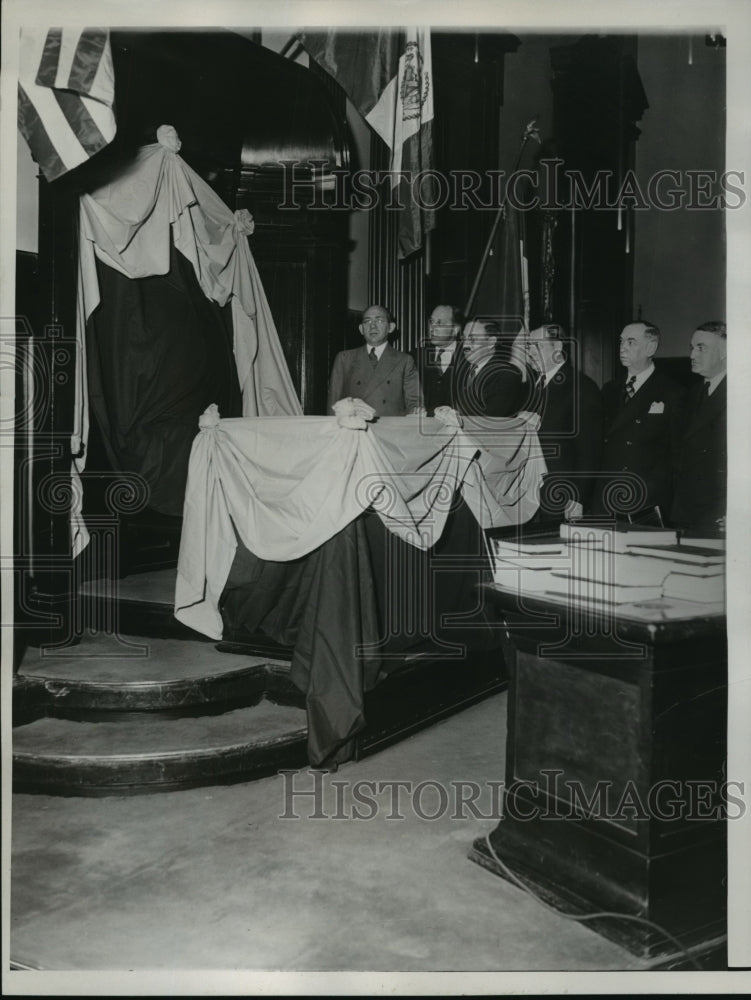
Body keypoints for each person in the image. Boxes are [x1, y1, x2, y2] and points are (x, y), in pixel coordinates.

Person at [594, 321, 685, 523]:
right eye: (621, 341)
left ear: (650, 348)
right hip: (606, 497)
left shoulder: (672, 392)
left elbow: (678, 455)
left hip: (646, 500)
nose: (622, 347)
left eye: (631, 342)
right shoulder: (609, 389)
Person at [521, 323, 603, 522]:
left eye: (535, 345)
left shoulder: (581, 388)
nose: (529, 351)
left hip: (561, 497)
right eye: (528, 345)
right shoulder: (528, 388)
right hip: (528, 495)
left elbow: (589, 450)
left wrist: (578, 498)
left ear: (557, 348)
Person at [671, 321, 727, 535]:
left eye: (701, 348)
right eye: (692, 348)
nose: (693, 355)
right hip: (688, 509)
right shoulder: (694, 392)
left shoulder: (740, 391)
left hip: (718, 512)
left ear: (725, 352)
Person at [327, 304, 422, 416]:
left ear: (391, 327)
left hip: (390, 429)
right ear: (361, 329)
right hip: (355, 429)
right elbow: (333, 405)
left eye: (379, 321)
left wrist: (417, 411)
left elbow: (414, 402)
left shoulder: (405, 361)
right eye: (367, 321)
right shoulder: (344, 359)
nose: (373, 326)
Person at [453, 318, 524, 418]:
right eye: (464, 339)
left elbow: (490, 420)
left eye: (472, 339)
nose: (465, 345)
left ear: (491, 342)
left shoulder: (507, 374)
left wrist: (454, 416)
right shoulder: (462, 370)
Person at [413, 304, 466, 415]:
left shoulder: (468, 358)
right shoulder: (415, 357)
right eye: (432, 322)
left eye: (440, 323)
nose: (433, 328)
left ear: (455, 330)